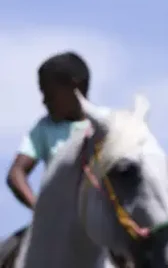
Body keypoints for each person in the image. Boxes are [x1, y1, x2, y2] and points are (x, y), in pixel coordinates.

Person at [2, 51, 109, 265]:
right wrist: (40, 208)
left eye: (48, 94)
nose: (44, 101)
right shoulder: (44, 129)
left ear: (75, 87)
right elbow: (16, 173)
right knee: (6, 252)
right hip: (52, 225)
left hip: (100, 223)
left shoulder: (106, 124)